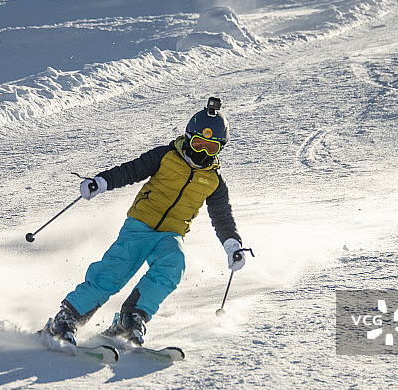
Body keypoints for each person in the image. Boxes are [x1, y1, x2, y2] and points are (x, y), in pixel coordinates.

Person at [41, 97, 246, 346]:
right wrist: (101, 182)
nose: (202, 152)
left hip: (171, 235)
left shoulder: (213, 182)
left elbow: (222, 216)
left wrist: (232, 245)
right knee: (113, 272)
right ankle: (67, 318)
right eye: (199, 143)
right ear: (188, 137)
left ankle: (131, 318)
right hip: (139, 226)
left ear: (219, 149)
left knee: (173, 265)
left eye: (211, 148)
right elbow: (131, 170)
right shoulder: (166, 156)